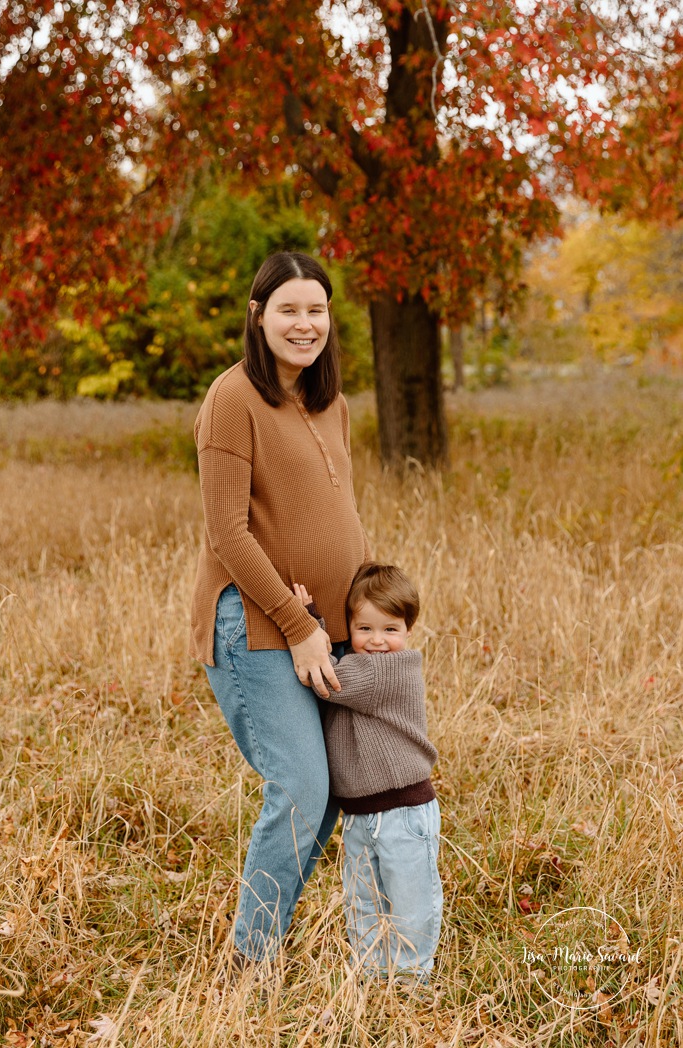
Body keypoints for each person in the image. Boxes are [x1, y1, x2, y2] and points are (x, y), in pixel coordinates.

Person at [189, 252, 370, 964]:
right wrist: (297, 627)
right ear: (258, 316)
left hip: (328, 631)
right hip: (256, 626)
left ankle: (265, 941)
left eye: (316, 310)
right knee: (299, 787)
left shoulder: (330, 403)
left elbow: (337, 513)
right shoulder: (231, 399)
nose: (304, 324)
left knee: (326, 795)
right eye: (288, 309)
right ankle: (248, 963)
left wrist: (361, 619)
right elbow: (227, 533)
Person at [293, 563, 442, 982]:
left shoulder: (391, 670)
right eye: (365, 629)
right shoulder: (363, 665)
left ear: (408, 631)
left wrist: (307, 626)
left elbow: (326, 677)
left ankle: (412, 981)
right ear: (351, 629)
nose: (377, 641)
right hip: (360, 816)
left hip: (404, 813)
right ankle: (373, 975)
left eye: (390, 630)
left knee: (411, 903)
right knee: (363, 900)